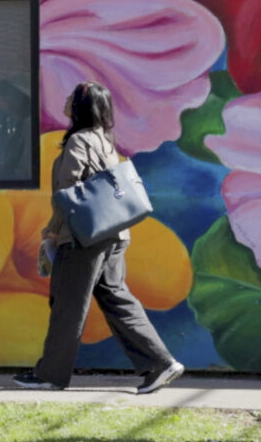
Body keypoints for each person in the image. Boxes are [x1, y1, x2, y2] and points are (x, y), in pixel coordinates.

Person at [14, 82, 184, 394]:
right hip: (114, 235)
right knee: (116, 299)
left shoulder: (78, 140)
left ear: (80, 108)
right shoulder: (106, 142)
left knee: (67, 303)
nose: (64, 100)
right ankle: (160, 363)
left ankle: (50, 374)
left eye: (70, 97)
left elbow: (68, 193)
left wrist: (53, 229)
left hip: (84, 238)